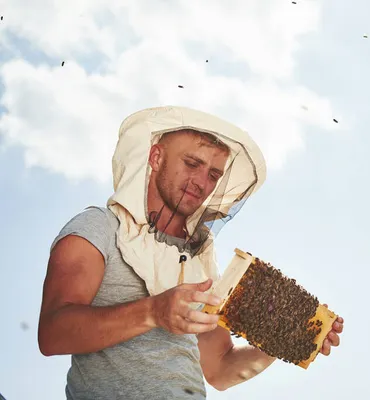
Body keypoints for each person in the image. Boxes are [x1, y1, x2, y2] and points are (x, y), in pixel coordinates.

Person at [37, 106, 344, 400]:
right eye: (191, 163)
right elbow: (52, 333)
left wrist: (290, 338)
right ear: (156, 157)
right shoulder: (99, 228)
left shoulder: (200, 264)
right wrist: (153, 312)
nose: (201, 182)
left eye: (213, 174)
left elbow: (220, 369)